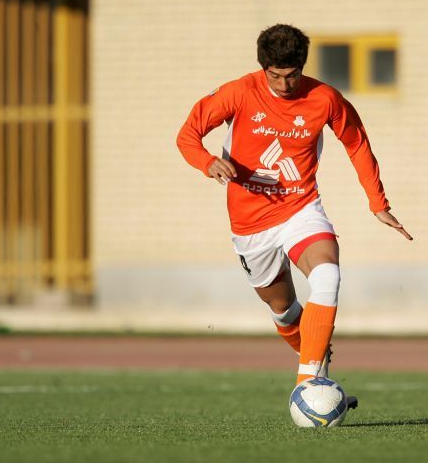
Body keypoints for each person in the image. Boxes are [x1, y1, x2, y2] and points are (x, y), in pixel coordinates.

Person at [176, 24, 412, 408]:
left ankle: (307, 385)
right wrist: (207, 162)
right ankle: (318, 368)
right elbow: (187, 134)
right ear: (263, 68)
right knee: (284, 311)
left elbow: (356, 143)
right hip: (250, 224)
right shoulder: (239, 92)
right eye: (275, 76)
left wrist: (378, 202)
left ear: (302, 67)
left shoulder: (325, 98)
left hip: (300, 208)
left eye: (292, 75)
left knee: (327, 276)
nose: (284, 85)